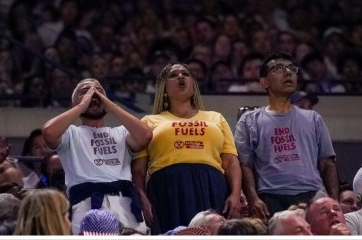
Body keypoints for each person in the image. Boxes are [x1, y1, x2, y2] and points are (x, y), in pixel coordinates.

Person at [131, 63, 241, 234]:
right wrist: (141, 196)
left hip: (211, 185)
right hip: (167, 189)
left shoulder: (215, 118)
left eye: (185, 74)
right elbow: (138, 170)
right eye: (174, 75)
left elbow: (231, 162)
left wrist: (235, 193)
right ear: (164, 89)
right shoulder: (149, 121)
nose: (181, 77)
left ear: (193, 85)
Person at [234, 51, 339, 218]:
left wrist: (334, 201)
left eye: (292, 68)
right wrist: (253, 198)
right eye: (279, 68)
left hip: (312, 193)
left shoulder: (313, 118)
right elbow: (245, 165)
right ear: (264, 82)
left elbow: (328, 163)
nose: (288, 72)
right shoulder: (249, 120)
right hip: (270, 196)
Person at [42, 78, 152, 234]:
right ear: (76, 104)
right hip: (87, 203)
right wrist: (80, 106)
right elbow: (48, 132)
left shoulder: (120, 132)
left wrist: (112, 106)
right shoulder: (71, 133)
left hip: (125, 203)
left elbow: (146, 136)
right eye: (85, 91)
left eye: (99, 91)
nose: (93, 94)